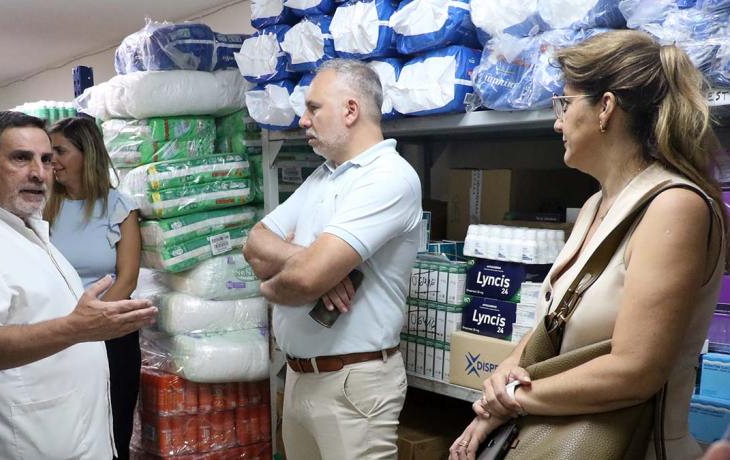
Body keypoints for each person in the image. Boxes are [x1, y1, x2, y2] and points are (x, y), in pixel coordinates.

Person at [450, 30, 728, 460]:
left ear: (606, 108)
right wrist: (507, 372)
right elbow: (559, 322)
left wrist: (511, 400)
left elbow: (634, 371)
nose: (557, 122)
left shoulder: (674, 206)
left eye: (564, 104)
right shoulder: (597, 204)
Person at [0, 111, 157, 459]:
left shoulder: (25, 226)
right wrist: (77, 328)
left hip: (66, 434)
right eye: (21, 158)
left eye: (46, 159)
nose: (39, 172)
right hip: (21, 442)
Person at [243, 59, 422, 459]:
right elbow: (255, 245)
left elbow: (305, 279)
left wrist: (272, 285)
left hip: (352, 384)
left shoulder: (388, 176)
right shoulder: (324, 176)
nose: (303, 120)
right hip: (299, 376)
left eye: (313, 108)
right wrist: (310, 259)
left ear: (350, 110)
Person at [45, 117, 141, 460]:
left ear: (87, 154)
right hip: (55, 333)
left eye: (60, 151)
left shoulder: (119, 207)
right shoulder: (42, 207)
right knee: (64, 432)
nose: (52, 160)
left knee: (113, 429)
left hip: (111, 333)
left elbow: (127, 279)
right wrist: (71, 327)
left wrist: (90, 323)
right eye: (49, 153)